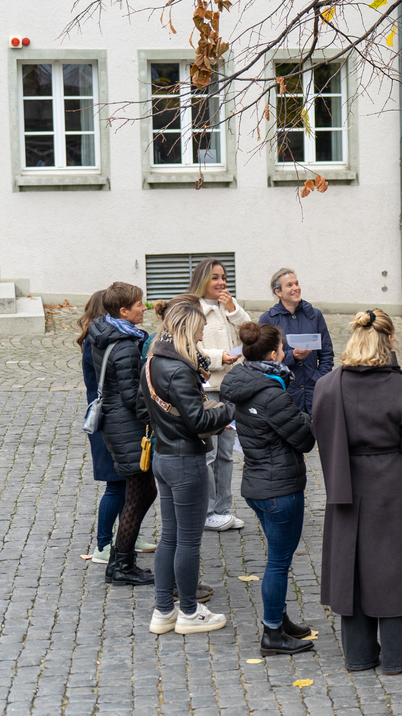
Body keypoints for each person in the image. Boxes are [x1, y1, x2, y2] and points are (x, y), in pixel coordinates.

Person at [313, 309, 402, 675]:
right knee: (394, 564)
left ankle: (358, 654)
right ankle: (398, 655)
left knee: (351, 565)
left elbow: (319, 428)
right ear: (389, 341)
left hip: (345, 479)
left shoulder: (328, 384)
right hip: (391, 481)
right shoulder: (400, 386)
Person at [219, 322, 318, 656]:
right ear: (274, 353)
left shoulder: (240, 382)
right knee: (278, 561)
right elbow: (304, 440)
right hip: (280, 488)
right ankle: (273, 635)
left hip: (257, 484)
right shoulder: (272, 394)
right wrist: (306, 419)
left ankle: (281, 618)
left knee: (278, 558)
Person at [142, 297, 236, 636]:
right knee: (188, 542)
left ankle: (163, 611)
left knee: (169, 537)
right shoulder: (178, 369)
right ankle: (189, 612)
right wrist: (228, 409)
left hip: (164, 457)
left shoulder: (152, 361)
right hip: (185, 461)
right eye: (198, 333)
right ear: (184, 329)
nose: (200, 340)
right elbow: (197, 420)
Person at [88, 281, 158, 586]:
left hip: (117, 425)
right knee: (139, 493)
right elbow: (132, 398)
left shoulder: (105, 334)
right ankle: (120, 564)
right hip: (127, 428)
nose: (145, 307)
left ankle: (121, 560)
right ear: (123, 311)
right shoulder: (126, 345)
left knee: (142, 491)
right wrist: (157, 416)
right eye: (139, 304)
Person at [188, 258, 250, 532]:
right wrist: (218, 358)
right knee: (209, 455)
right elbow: (191, 347)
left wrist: (234, 310)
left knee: (226, 454)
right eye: (215, 277)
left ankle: (223, 509)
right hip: (208, 390)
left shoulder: (229, 308)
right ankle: (208, 511)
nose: (221, 282)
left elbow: (251, 334)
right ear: (203, 280)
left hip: (232, 389)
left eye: (223, 276)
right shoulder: (193, 310)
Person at [258, 268, 334, 415]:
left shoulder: (315, 315)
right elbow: (264, 360)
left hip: (313, 391)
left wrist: (320, 380)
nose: (295, 288)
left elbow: (327, 354)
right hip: (285, 393)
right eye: (289, 285)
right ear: (278, 292)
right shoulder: (268, 319)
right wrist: (291, 356)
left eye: (296, 284)